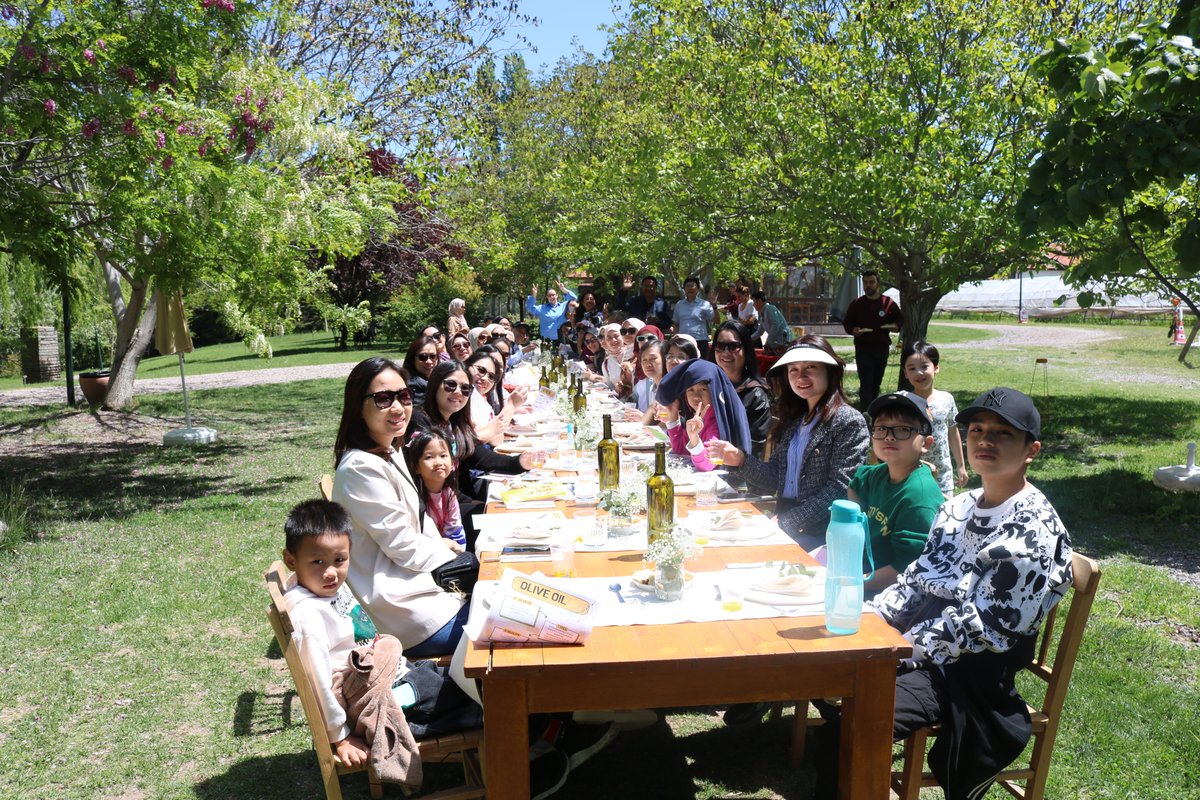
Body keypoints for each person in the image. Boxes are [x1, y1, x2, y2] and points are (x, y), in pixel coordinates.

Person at [812, 387, 1073, 800]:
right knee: (821, 670)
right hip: (919, 644)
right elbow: (917, 578)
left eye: (1003, 434)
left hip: (967, 673)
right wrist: (872, 621)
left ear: (1031, 450)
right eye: (977, 430)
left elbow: (985, 630)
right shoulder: (959, 507)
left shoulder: (1033, 531)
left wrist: (899, 648)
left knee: (856, 721)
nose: (985, 440)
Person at [281, 499, 482, 770]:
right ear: (291, 560)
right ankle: (517, 739)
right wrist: (340, 736)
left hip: (394, 673)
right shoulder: (308, 615)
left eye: (339, 560)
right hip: (374, 699)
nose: (330, 572)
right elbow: (316, 682)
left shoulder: (325, 588)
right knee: (478, 694)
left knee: (462, 679)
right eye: (317, 562)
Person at [331, 357, 467, 657]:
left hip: (426, 590)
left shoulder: (389, 452)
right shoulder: (360, 468)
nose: (398, 407)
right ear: (358, 405)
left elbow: (417, 524)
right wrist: (463, 560)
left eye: (404, 396)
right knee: (515, 627)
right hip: (407, 613)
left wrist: (447, 546)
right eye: (383, 398)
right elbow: (403, 546)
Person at [707, 337, 870, 549]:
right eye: (793, 369)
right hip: (783, 519)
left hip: (823, 535)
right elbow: (776, 477)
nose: (800, 376)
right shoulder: (795, 421)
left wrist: (788, 523)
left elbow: (840, 489)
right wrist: (740, 460)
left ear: (830, 371)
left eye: (810, 367)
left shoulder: (848, 421)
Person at [849, 391, 944, 597]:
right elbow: (855, 483)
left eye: (903, 429)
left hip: (892, 594)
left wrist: (849, 583)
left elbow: (905, 568)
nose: (889, 436)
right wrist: (856, 526)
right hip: (865, 571)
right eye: (881, 428)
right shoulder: (880, 473)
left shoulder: (918, 497)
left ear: (926, 444)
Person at [656, 359, 752, 472]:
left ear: (715, 390)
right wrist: (673, 417)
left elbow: (707, 464)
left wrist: (694, 438)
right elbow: (681, 451)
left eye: (703, 389)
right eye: (690, 390)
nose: (696, 396)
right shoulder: (697, 417)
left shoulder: (717, 422)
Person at [902, 340, 968, 497]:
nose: (919, 372)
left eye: (924, 366)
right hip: (908, 472)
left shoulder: (946, 399)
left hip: (942, 475)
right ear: (905, 373)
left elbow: (953, 432)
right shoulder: (903, 400)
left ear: (936, 367)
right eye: (912, 368)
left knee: (942, 517)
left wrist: (961, 466)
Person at [710, 321, 773, 457]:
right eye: (720, 346)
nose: (725, 352)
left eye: (733, 346)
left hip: (739, 469)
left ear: (746, 351)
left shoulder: (755, 395)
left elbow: (756, 447)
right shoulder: (708, 387)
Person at [842, 269, 903, 407]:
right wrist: (854, 330)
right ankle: (866, 412)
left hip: (882, 347)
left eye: (871, 282)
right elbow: (847, 323)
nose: (868, 285)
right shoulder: (857, 304)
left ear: (878, 283)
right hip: (863, 348)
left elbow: (899, 320)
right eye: (865, 282)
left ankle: (874, 408)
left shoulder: (888, 303)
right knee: (866, 381)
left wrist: (895, 326)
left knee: (877, 381)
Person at [404, 427, 466, 549]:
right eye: (429, 457)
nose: (438, 462)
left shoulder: (449, 495)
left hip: (448, 553)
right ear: (416, 467)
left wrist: (458, 552)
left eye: (443, 455)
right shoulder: (413, 498)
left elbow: (455, 531)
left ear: (453, 463)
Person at [672, 275, 715, 357]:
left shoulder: (705, 304)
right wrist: (675, 338)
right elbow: (676, 324)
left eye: (692, 286)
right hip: (683, 340)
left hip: (700, 340)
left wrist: (714, 306)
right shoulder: (679, 304)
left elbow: (716, 320)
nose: (690, 288)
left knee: (701, 366)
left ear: (698, 289)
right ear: (684, 289)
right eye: (687, 286)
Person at [401, 336, 439, 409]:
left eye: (433, 356)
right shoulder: (413, 386)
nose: (429, 361)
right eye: (423, 357)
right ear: (412, 359)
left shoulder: (436, 380)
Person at [750, 290, 793, 355]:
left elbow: (776, 325)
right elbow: (759, 332)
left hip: (782, 340)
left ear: (759, 301)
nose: (753, 304)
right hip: (776, 342)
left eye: (754, 302)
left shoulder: (769, 308)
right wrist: (748, 339)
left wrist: (769, 340)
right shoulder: (762, 313)